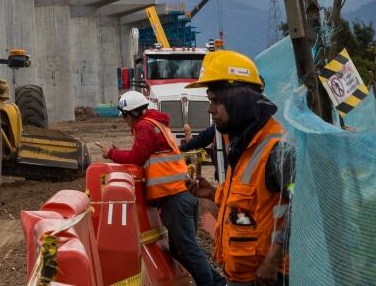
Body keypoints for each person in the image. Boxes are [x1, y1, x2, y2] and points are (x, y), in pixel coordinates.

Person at [186, 50, 293, 286]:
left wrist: (273, 260)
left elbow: (301, 207)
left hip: (266, 276)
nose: (210, 110)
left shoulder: (278, 149)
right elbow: (252, 201)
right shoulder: (244, 144)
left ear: (239, 99)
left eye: (215, 101)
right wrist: (213, 193)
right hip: (241, 274)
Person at [101, 90, 217, 286]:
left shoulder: (145, 126)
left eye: (125, 116)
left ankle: (215, 284)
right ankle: (217, 281)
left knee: (188, 250)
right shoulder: (156, 124)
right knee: (180, 251)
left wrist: (111, 153)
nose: (125, 121)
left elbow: (136, 157)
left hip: (175, 196)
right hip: (180, 194)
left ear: (132, 114)